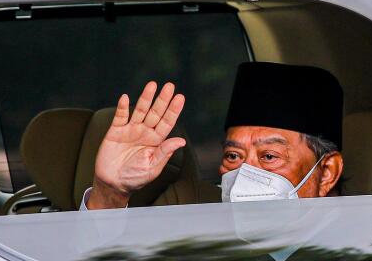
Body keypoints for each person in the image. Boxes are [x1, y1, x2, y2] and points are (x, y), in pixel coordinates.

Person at [83, 62, 344, 210]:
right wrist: (110, 193)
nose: (245, 173)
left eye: (268, 156)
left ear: (328, 172)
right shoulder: (197, 240)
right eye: (233, 155)